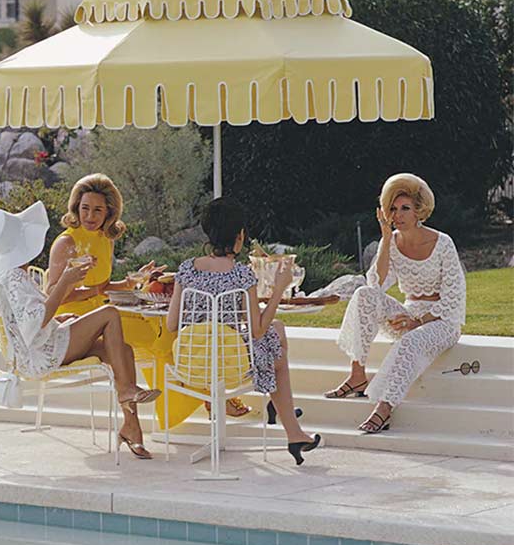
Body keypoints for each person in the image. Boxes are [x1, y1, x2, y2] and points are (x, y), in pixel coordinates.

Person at [0, 200, 160, 459]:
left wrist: (60, 315)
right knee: (110, 314)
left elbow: (30, 320)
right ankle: (126, 392)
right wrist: (65, 282)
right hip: (40, 355)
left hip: (44, 344)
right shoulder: (14, 280)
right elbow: (34, 323)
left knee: (122, 350)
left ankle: (131, 427)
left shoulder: (14, 277)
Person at [166, 197, 320, 465]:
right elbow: (257, 330)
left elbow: (171, 324)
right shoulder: (241, 274)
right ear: (239, 236)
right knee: (275, 351)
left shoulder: (186, 269)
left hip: (190, 363)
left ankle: (282, 410)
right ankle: (290, 426)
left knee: (277, 332)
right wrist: (278, 289)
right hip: (229, 364)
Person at [325, 173, 466, 434]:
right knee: (363, 295)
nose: (398, 215)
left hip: (441, 322)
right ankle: (357, 374)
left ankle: (384, 407)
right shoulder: (391, 241)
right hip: (408, 314)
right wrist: (386, 241)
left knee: (409, 341)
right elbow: (376, 285)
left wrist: (418, 321)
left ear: (419, 211)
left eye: (405, 209)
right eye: (393, 209)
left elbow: (453, 299)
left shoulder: (442, 243)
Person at [46, 173, 162, 315]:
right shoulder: (66, 243)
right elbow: (51, 295)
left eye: (98, 210)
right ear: (77, 207)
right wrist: (93, 290)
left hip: (100, 315)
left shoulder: (106, 239)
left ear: (109, 212)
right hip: (68, 319)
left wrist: (131, 282)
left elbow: (104, 287)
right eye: (85, 208)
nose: (90, 216)